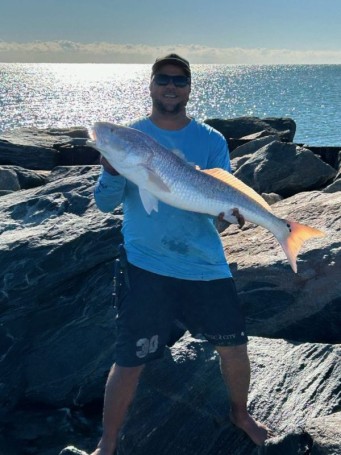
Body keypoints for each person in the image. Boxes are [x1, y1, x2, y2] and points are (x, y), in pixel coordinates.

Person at [91, 54, 269, 455]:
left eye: (180, 80)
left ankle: (240, 415)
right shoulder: (132, 137)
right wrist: (111, 171)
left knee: (234, 346)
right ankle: (107, 443)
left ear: (189, 87)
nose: (171, 87)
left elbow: (221, 202)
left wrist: (230, 217)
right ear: (151, 85)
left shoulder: (211, 140)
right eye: (163, 79)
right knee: (129, 358)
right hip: (145, 264)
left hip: (205, 263)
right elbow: (104, 205)